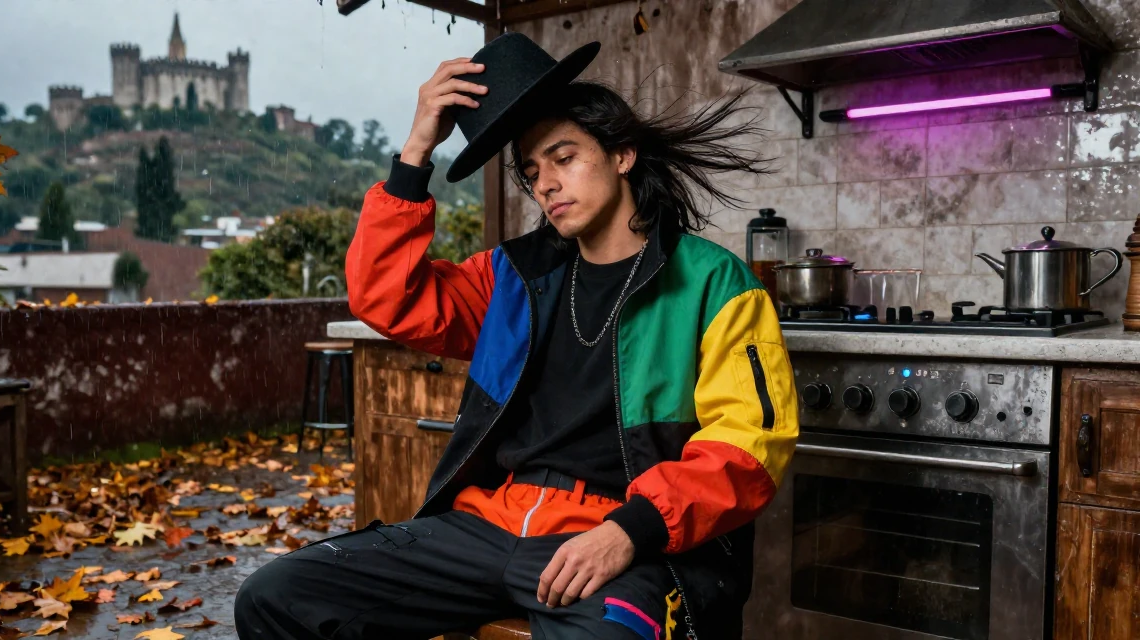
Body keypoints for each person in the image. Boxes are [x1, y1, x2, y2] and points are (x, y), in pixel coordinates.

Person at [235, 32, 798, 640]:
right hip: (488, 524)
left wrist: (626, 534)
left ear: (622, 155)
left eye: (564, 158)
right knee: (275, 596)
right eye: (532, 172)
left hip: (615, 533)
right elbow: (386, 296)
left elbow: (748, 445)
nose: (546, 184)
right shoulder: (512, 276)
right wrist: (419, 144)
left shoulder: (716, 284)